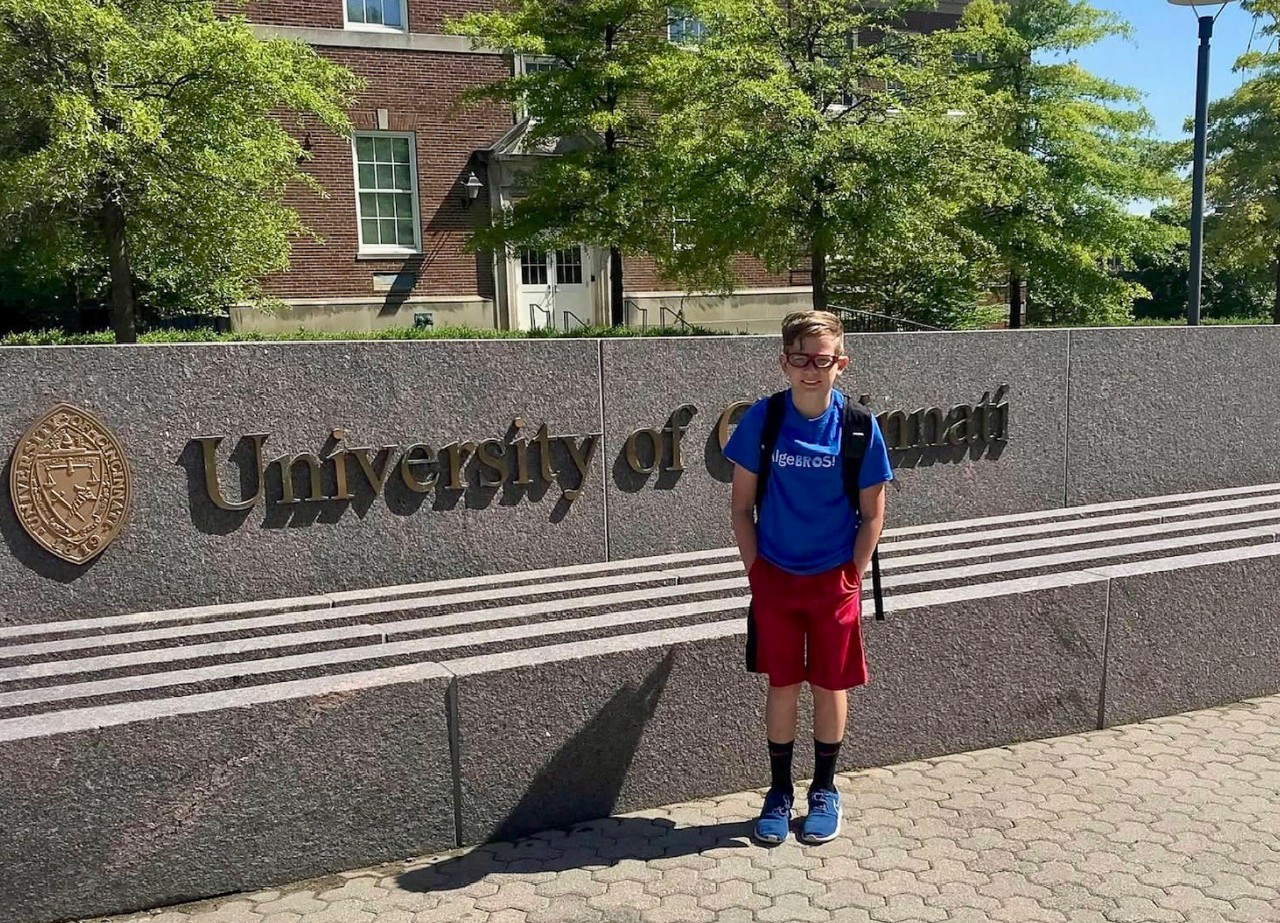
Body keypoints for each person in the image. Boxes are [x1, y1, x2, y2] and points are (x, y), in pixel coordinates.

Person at [723, 310, 893, 844]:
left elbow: (873, 514)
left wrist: (852, 575)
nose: (811, 370)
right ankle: (778, 791)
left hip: (832, 581)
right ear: (784, 363)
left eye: (823, 360)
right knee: (782, 684)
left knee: (829, 683)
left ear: (841, 363)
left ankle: (824, 788)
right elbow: (740, 508)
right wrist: (757, 574)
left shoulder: (860, 426)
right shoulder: (764, 420)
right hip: (775, 578)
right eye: (801, 360)